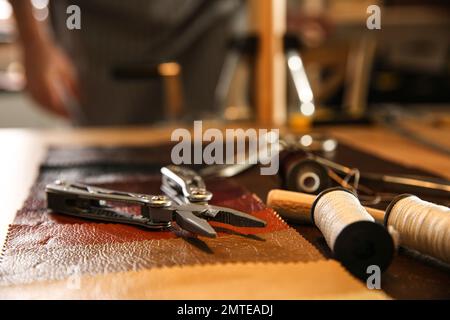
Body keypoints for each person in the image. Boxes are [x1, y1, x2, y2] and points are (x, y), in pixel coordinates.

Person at [11, 0, 243, 126]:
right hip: (92, 23)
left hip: (202, 18)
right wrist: (33, 42)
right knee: (101, 161)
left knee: (198, 147)